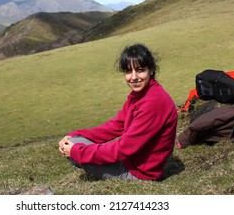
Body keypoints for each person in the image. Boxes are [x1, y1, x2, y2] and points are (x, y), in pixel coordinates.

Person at [58, 44, 178, 181]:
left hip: (140, 174)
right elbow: (115, 126)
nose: (134, 77)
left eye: (140, 70)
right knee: (74, 141)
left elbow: (124, 148)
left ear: (151, 70)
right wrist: (76, 134)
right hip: (129, 161)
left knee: (75, 149)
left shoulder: (154, 102)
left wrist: (76, 152)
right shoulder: (139, 95)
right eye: (128, 71)